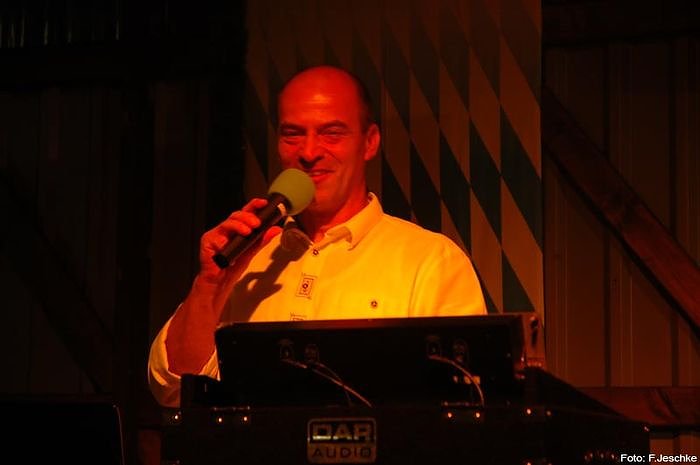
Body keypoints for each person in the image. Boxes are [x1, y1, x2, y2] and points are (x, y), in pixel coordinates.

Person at [148, 65, 487, 407]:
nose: (309, 153)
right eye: (292, 134)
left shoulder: (431, 260)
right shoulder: (244, 259)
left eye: (332, 133)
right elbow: (174, 390)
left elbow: (466, 402)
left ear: (369, 142)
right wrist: (209, 285)